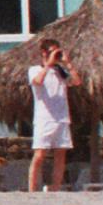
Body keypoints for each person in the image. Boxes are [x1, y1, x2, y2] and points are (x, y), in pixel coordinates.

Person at [26, 39, 80, 192]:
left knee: (60, 154)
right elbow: (37, 81)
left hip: (62, 117)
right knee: (40, 154)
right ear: (44, 53)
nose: (54, 55)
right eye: (52, 51)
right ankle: (32, 188)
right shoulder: (35, 69)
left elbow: (76, 82)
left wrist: (67, 63)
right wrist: (48, 64)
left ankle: (55, 187)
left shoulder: (60, 72)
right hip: (45, 118)